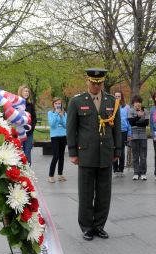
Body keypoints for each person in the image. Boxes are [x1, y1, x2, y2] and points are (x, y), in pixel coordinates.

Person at [66, 68, 122, 241]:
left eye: (99, 83)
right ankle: (86, 227)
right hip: (86, 153)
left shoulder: (112, 101)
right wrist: (73, 152)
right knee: (86, 193)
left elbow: (117, 129)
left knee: (104, 193)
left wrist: (117, 150)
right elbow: (71, 128)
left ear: (103, 83)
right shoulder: (76, 101)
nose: (96, 86)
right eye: (93, 82)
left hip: (106, 153)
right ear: (87, 81)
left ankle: (99, 225)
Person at [128, 95, 149, 180]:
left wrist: (135, 121)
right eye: (136, 102)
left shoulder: (145, 111)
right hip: (134, 136)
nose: (138, 104)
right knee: (135, 156)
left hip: (143, 136)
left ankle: (143, 173)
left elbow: (146, 123)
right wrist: (138, 117)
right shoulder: (130, 110)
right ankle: (136, 173)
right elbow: (131, 122)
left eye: (139, 102)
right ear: (133, 103)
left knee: (143, 156)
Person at [48, 97, 68, 183]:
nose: (58, 105)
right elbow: (52, 125)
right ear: (53, 104)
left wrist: (62, 116)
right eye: (56, 104)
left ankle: (60, 174)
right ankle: (51, 176)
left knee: (61, 156)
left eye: (59, 104)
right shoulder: (50, 113)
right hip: (55, 137)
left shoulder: (64, 113)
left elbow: (65, 125)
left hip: (63, 136)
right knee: (55, 156)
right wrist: (56, 114)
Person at [113, 91, 131, 177]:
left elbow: (129, 121)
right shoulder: (111, 107)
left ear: (122, 97)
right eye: (116, 96)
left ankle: (121, 169)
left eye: (119, 96)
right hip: (113, 131)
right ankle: (115, 169)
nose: (117, 98)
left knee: (121, 150)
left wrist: (129, 133)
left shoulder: (126, 107)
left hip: (123, 131)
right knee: (114, 149)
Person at [18, 85, 37, 165]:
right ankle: (20, 174)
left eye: (28, 91)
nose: (27, 93)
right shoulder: (16, 104)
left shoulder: (30, 105)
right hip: (19, 133)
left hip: (29, 133)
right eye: (25, 91)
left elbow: (34, 118)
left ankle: (28, 173)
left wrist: (31, 129)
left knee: (27, 152)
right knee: (19, 153)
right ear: (21, 92)